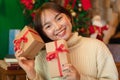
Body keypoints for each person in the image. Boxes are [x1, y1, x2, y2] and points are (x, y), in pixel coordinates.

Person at [15, 2, 118, 80]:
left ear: (68, 17)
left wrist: (80, 78)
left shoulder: (97, 47)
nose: (57, 27)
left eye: (59, 18)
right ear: (43, 33)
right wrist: (31, 72)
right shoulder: (42, 57)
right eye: (48, 26)